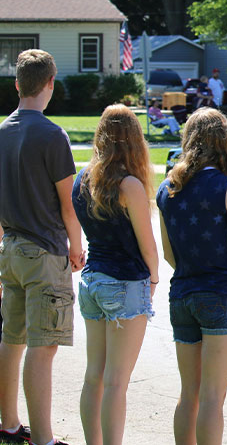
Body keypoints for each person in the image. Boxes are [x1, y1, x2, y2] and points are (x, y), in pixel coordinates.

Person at [0, 49, 84, 445]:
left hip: (11, 247)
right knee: (44, 345)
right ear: (50, 84)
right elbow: (68, 206)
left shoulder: (1, 132)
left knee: (11, 339)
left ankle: (10, 424)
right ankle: (45, 439)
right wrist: (77, 246)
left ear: (17, 84)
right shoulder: (53, 135)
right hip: (45, 252)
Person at [156, 108, 227, 445]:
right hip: (221, 293)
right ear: (225, 144)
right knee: (213, 397)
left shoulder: (167, 188)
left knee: (189, 395)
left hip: (182, 293)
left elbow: (169, 254)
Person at [72, 104, 159, 445]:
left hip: (92, 282)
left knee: (94, 376)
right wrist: (153, 279)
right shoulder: (130, 185)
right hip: (124, 284)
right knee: (117, 382)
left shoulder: (83, 178)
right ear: (134, 140)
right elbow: (148, 247)